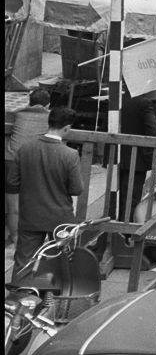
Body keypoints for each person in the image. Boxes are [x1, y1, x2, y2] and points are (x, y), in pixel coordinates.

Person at [9, 106, 83, 277]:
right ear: (66, 128)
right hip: (60, 218)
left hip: (30, 215)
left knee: (24, 261)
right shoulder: (70, 155)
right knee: (63, 260)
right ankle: (54, 299)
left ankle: (19, 297)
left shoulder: (25, 149)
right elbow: (76, 189)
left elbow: (11, 183)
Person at [5, 88, 51, 246]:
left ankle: (16, 239)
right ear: (48, 105)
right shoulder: (50, 117)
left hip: (11, 161)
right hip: (33, 162)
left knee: (13, 207)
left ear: (29, 102)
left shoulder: (18, 113)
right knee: (38, 201)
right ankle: (36, 240)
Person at [118, 86, 156, 219]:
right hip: (136, 157)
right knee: (132, 196)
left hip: (118, 155)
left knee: (120, 193)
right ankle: (126, 230)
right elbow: (153, 131)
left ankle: (120, 225)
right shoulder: (143, 103)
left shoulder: (119, 100)